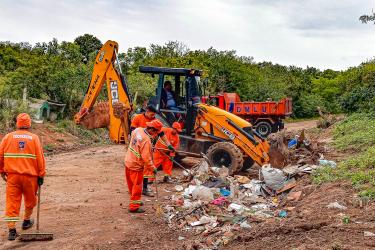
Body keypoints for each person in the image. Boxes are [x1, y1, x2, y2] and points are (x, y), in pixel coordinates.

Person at [0, 113, 46, 241]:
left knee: (12, 202)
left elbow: (1, 155)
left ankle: (12, 230)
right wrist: (41, 174)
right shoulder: (34, 138)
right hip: (30, 177)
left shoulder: (8, 137)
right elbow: (40, 159)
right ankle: (26, 221)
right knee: (30, 200)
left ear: (17, 123)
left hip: (13, 177)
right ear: (29, 124)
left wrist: (1, 171)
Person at [124, 120, 163, 213]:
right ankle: (134, 206)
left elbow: (134, 139)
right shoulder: (146, 141)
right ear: (152, 130)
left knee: (131, 184)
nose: (156, 134)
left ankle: (134, 200)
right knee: (137, 186)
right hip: (136, 166)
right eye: (156, 132)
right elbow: (146, 158)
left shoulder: (138, 130)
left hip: (128, 161)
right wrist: (153, 168)